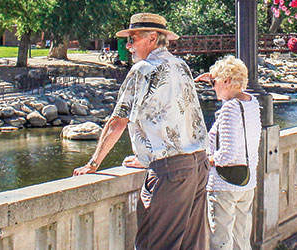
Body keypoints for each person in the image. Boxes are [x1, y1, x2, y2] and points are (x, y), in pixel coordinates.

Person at [74, 13, 210, 250]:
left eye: (133, 39)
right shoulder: (181, 65)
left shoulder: (143, 69)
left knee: (154, 245)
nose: (128, 46)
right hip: (198, 166)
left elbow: (117, 122)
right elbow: (179, 117)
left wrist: (93, 164)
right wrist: (147, 155)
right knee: (192, 245)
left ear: (153, 38)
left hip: (171, 172)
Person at [194, 56, 261, 250]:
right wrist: (212, 77)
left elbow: (227, 154)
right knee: (241, 240)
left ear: (227, 81)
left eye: (214, 83)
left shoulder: (230, 108)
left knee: (221, 241)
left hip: (224, 184)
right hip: (246, 181)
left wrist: (209, 160)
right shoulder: (252, 102)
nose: (212, 87)